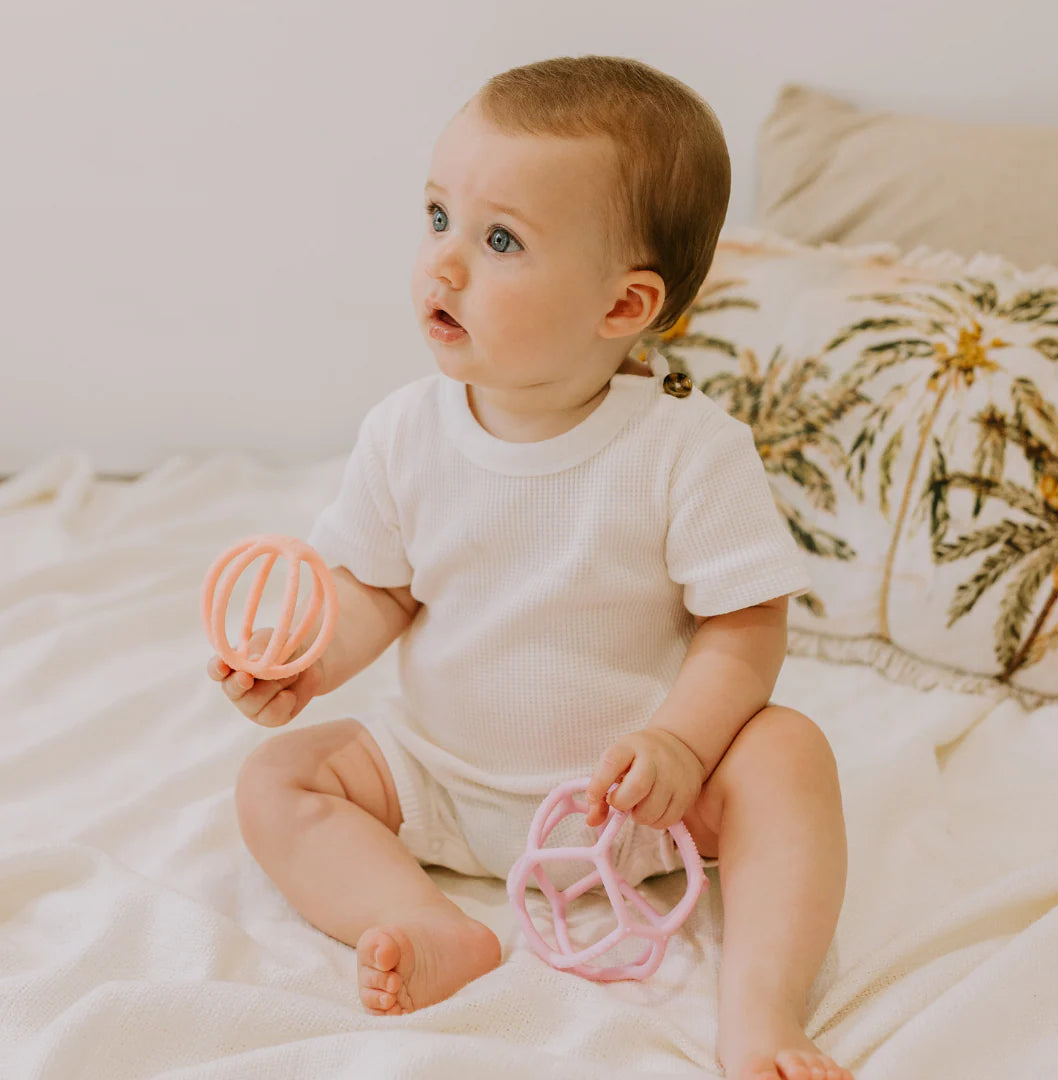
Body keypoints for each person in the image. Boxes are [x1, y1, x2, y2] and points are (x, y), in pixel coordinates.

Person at [208, 55, 852, 1080]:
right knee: (276, 778)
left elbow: (745, 624)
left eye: (499, 239)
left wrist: (682, 746)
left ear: (623, 305)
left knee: (789, 753)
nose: (444, 263)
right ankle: (427, 923)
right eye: (438, 217)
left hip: (631, 803)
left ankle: (762, 1013)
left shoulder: (688, 451)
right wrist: (309, 667)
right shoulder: (404, 431)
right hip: (437, 779)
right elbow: (380, 588)